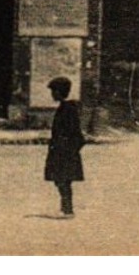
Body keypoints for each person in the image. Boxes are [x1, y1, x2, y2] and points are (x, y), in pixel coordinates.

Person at [44, 76, 86, 218]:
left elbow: (76, 133)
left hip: (64, 151)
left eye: (54, 92)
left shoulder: (68, 109)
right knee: (60, 180)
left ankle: (67, 210)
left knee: (63, 180)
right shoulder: (64, 108)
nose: (52, 95)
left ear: (59, 92)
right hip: (60, 150)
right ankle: (65, 208)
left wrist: (68, 150)